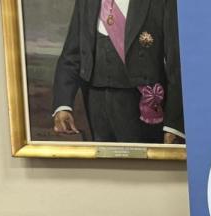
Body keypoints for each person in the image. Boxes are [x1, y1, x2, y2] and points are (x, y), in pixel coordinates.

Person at [52, 0, 184, 144]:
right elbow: (72, 55)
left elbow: (176, 65)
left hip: (139, 106)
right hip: (94, 102)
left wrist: (174, 125)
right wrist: (63, 105)